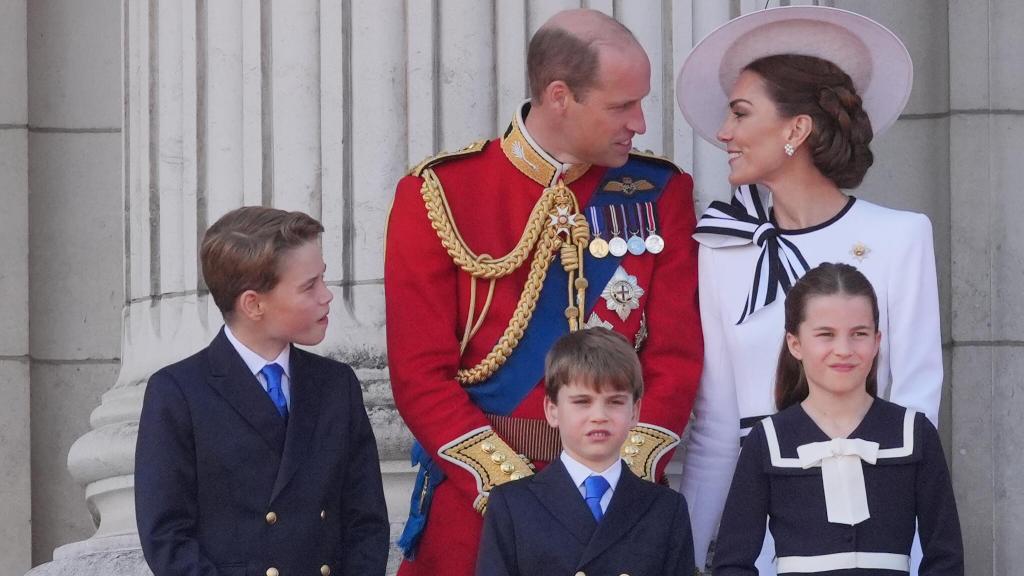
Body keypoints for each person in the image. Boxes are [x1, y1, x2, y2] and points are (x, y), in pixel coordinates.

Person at [385, 8, 703, 576]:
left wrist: (616, 476)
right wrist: (517, 496)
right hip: (479, 507)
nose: (640, 123)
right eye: (621, 105)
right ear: (560, 96)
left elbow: (676, 359)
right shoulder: (440, 192)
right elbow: (419, 375)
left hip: (616, 503)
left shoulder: (661, 192)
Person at [673, 6, 944, 573]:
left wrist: (914, 557)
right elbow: (718, 426)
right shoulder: (722, 250)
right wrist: (692, 553)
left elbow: (915, 407)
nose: (725, 133)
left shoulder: (900, 236)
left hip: (870, 530)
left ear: (796, 129)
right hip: (761, 533)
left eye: (742, 114)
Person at [135, 207, 390, 576]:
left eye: (323, 278)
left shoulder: (336, 385)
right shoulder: (178, 392)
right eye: (309, 285)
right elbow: (167, 537)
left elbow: (365, 521)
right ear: (253, 304)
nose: (327, 296)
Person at [713, 262, 963, 575]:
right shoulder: (768, 440)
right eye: (826, 335)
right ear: (795, 344)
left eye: (859, 334)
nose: (843, 350)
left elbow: (946, 557)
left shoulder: (914, 433)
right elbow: (732, 563)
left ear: (877, 341)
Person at [476, 328, 695, 576]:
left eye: (615, 402)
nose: (599, 417)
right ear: (552, 410)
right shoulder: (512, 505)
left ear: (635, 411)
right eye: (582, 402)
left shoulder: (666, 509)